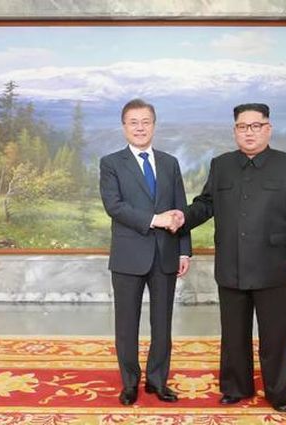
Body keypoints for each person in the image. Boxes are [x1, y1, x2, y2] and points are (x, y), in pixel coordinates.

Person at [177, 103, 286, 412]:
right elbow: (205, 204)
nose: (249, 132)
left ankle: (278, 393)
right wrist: (181, 217)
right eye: (242, 126)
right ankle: (236, 388)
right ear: (235, 130)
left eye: (256, 126)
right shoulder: (221, 165)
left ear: (268, 128)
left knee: (275, 335)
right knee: (234, 334)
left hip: (274, 264)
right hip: (231, 263)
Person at [100, 98, 191, 406]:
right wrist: (155, 220)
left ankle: (157, 381)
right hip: (128, 257)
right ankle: (129, 383)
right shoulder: (111, 163)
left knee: (162, 324)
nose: (140, 128)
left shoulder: (169, 162)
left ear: (154, 125)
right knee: (126, 325)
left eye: (145, 122)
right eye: (133, 122)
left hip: (166, 254)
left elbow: (180, 209)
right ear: (124, 127)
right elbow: (114, 206)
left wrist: (184, 251)